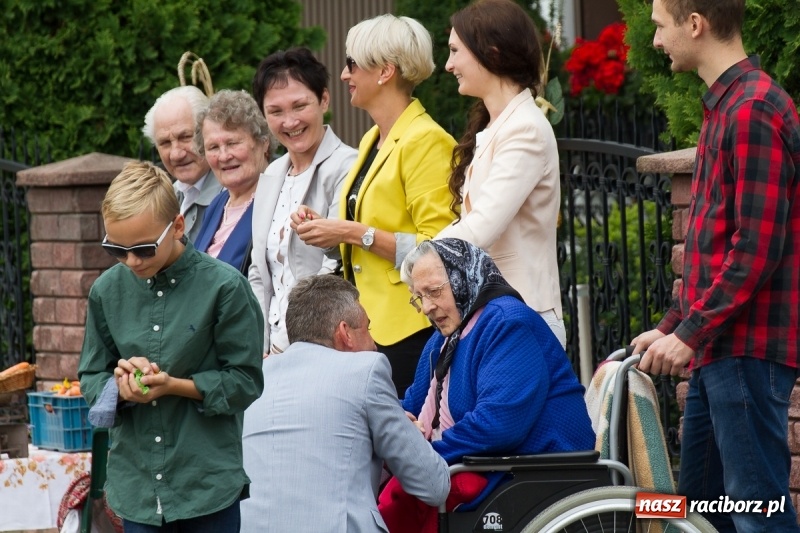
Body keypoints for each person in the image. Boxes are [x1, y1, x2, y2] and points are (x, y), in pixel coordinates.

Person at [631, 0, 800, 531]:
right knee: (700, 512)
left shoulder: (752, 109)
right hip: (718, 348)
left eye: (660, 27)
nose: (655, 41)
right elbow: (710, 244)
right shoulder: (726, 107)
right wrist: (669, 327)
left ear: (695, 25)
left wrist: (689, 333)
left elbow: (755, 248)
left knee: (757, 512)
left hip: (746, 351)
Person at [78, 161, 265, 532]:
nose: (131, 261)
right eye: (116, 249)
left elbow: (245, 380)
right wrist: (120, 387)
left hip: (206, 486)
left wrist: (175, 386)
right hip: (137, 488)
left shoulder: (224, 288)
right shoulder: (106, 291)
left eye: (144, 249)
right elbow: (91, 376)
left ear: (178, 226)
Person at [378, 238, 595, 532]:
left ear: (463, 277)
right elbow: (412, 403)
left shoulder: (507, 323)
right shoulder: (442, 339)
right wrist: (401, 425)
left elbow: (499, 424)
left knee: (404, 493)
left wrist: (422, 454)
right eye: (418, 297)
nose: (426, 307)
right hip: (488, 463)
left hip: (534, 468)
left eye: (434, 291)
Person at [291, 14, 456, 397]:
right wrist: (326, 230)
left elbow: (439, 248)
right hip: (368, 325)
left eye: (352, 64)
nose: (345, 75)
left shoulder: (426, 140)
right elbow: (365, 231)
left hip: (409, 327)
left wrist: (350, 231)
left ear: (385, 71)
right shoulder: (373, 139)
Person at [240, 274, 450, 533]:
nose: (375, 345)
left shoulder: (256, 378)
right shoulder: (365, 369)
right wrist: (408, 436)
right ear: (345, 334)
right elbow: (433, 484)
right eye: (368, 329)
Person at [435, 0, 565, 348]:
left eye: (454, 51)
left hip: (525, 317)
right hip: (497, 313)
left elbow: (482, 226)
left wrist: (419, 258)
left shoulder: (524, 129)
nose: (448, 65)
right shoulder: (501, 125)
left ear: (490, 53)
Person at [249, 47, 357, 355]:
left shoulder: (348, 166)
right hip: (268, 350)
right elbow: (259, 270)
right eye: (276, 111)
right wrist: (259, 348)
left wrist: (287, 348)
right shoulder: (271, 173)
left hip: (320, 344)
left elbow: (336, 264)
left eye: (300, 105)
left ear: (324, 99)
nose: (290, 121)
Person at [193, 90, 271, 274]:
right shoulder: (217, 204)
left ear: (263, 142)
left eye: (233, 143)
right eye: (213, 147)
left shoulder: (276, 201)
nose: (224, 156)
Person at [143, 85, 222, 243]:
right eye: (165, 143)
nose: (176, 154)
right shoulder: (167, 197)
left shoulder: (231, 196)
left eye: (185, 137)